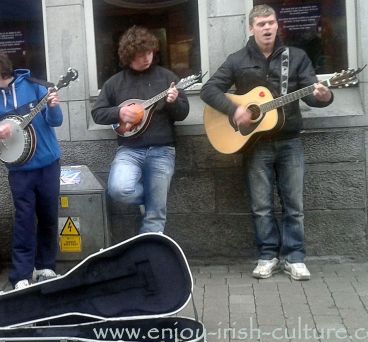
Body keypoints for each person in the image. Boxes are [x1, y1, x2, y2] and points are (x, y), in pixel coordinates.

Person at [200, 5, 334, 281]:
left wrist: (323, 97)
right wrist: (233, 109)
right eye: (261, 23)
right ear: (251, 28)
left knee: (294, 204)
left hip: (289, 141)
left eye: (271, 22)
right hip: (255, 145)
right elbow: (208, 89)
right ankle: (267, 256)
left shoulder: (296, 57)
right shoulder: (237, 60)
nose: (267, 28)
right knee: (261, 205)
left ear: (277, 25)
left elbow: (311, 95)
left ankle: (295, 258)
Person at [0, 49, 63, 290]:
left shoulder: (35, 88)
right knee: (23, 220)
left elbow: (56, 122)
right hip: (20, 170)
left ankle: (46, 267)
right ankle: (21, 273)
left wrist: (53, 106)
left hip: (48, 164)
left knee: (48, 216)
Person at [91, 25, 190, 234]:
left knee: (155, 216)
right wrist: (119, 113)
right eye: (140, 54)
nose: (146, 58)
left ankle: (149, 259)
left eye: (149, 52)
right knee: (118, 189)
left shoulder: (166, 78)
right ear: (128, 56)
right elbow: (97, 113)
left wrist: (173, 101)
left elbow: (182, 114)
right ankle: (152, 199)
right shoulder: (115, 83)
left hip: (162, 150)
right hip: (129, 150)